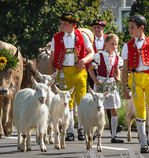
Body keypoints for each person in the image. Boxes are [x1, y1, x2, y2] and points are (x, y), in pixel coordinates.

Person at [121, 15, 149, 153]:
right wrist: (124, 87)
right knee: (140, 109)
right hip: (135, 79)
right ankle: (142, 142)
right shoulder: (127, 46)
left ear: (141, 28)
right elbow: (125, 68)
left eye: (132, 27)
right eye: (129, 27)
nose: (129, 30)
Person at [48, 12, 94, 141]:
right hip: (64, 73)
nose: (62, 25)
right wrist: (51, 79)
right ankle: (69, 131)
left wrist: (84, 60)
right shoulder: (56, 38)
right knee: (66, 102)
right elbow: (51, 59)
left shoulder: (82, 36)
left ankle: (81, 128)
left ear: (74, 25)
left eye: (65, 23)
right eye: (61, 23)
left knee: (81, 101)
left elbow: (92, 53)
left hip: (79, 72)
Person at [88, 34, 124, 143]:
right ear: (106, 44)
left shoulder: (117, 57)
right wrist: (95, 80)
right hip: (101, 82)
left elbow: (118, 68)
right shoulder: (100, 55)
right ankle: (95, 132)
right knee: (100, 109)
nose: (114, 46)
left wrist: (118, 76)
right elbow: (91, 69)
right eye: (112, 44)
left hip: (111, 83)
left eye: (116, 44)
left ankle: (114, 135)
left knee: (113, 109)